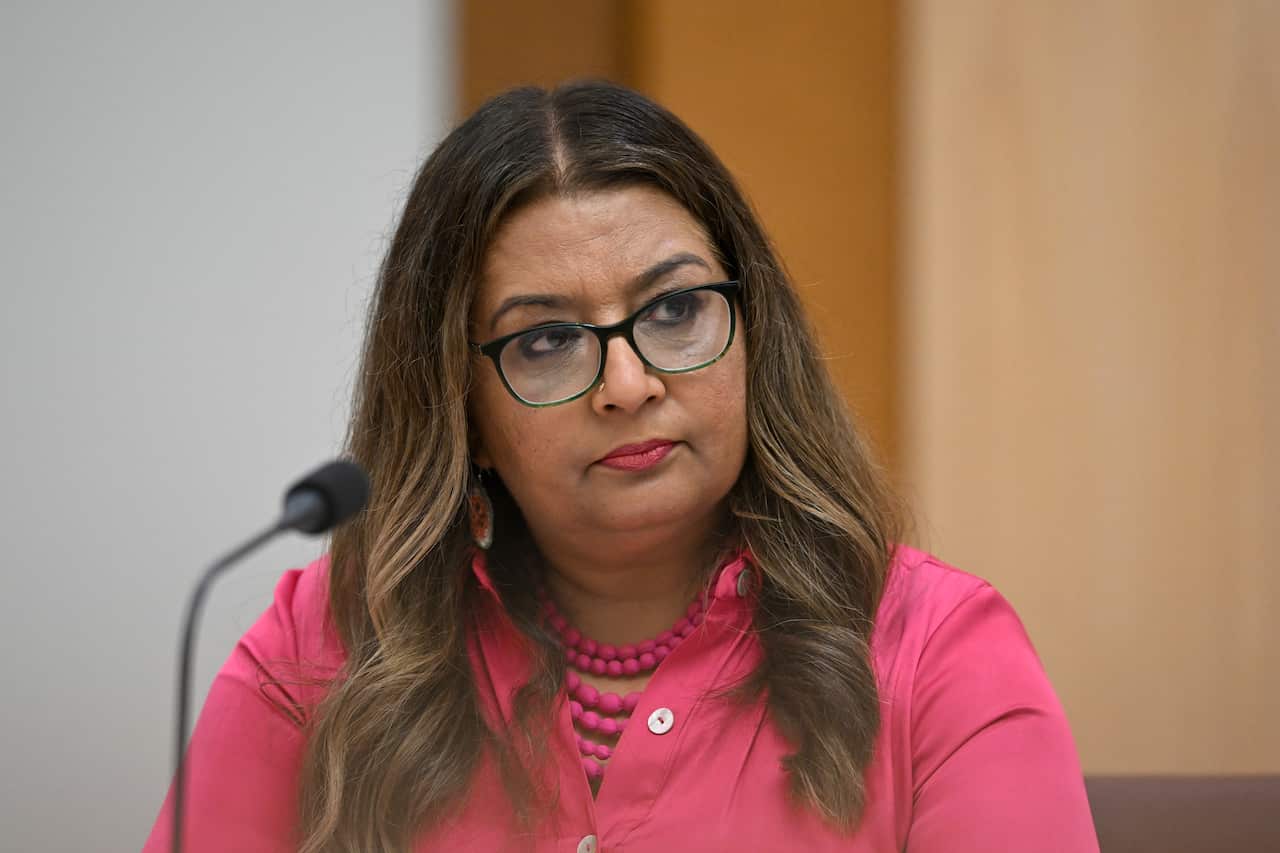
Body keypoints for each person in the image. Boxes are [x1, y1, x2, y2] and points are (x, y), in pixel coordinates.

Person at [143, 81, 1098, 852]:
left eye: (676, 311)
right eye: (550, 339)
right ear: (457, 406)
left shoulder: (937, 654)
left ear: (750, 334)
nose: (630, 384)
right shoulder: (327, 648)